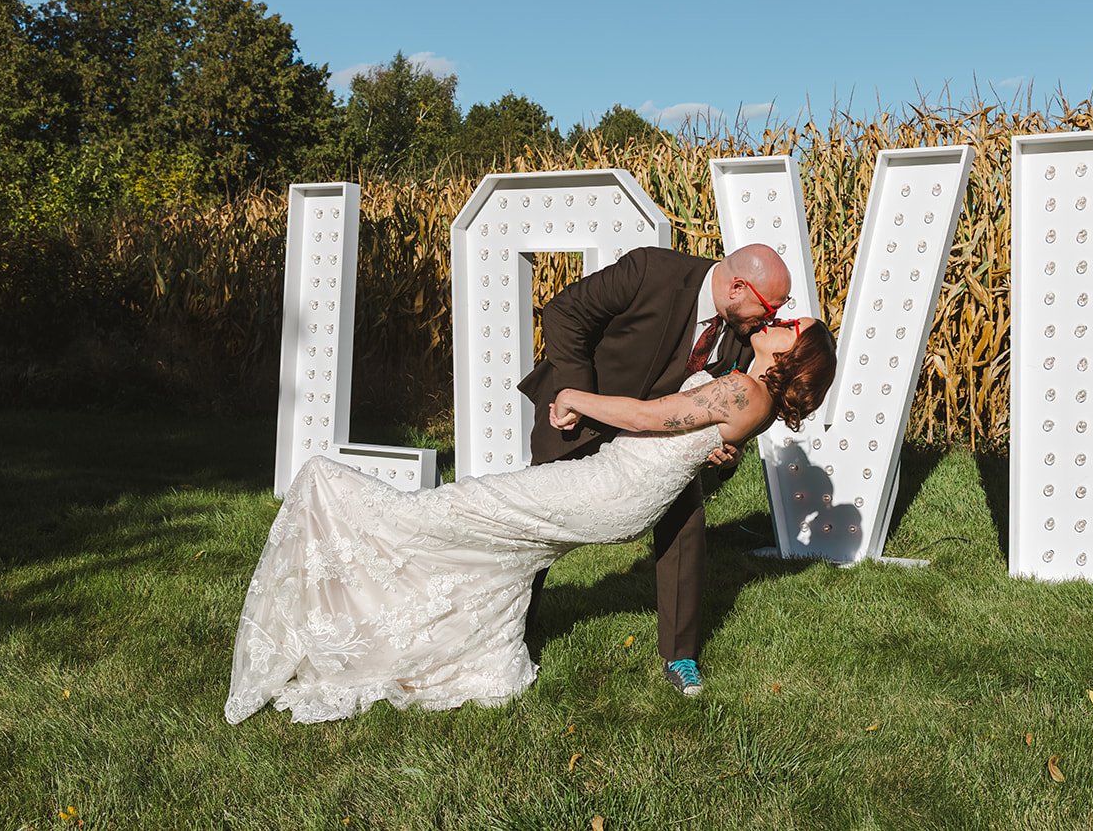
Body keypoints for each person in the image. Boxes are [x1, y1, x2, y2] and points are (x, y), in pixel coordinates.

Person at [223, 316, 836, 724]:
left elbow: (653, 417)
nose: (781, 321)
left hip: (612, 487)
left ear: (795, 354)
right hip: (621, 489)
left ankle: (354, 601)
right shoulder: (747, 396)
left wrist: (573, 398)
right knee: (495, 546)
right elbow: (690, 434)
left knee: (451, 509)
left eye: (792, 326)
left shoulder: (743, 393)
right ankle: (478, 655)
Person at [517, 242, 792, 696]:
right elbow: (565, 311)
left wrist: (730, 451)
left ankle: (679, 655)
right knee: (535, 519)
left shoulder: (747, 334)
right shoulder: (652, 269)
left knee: (686, 521)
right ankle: (519, 628)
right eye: (767, 307)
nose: (769, 321)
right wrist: (576, 396)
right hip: (581, 413)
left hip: (656, 446)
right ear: (738, 286)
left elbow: (730, 414)